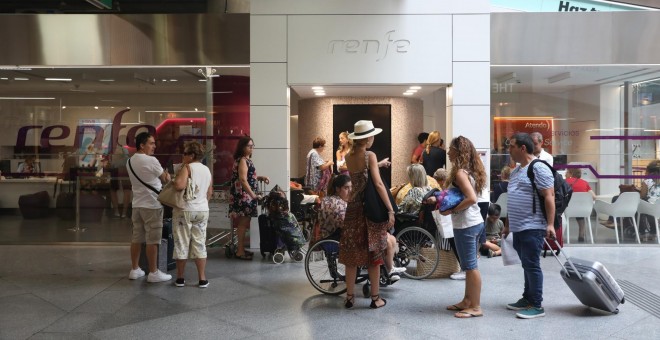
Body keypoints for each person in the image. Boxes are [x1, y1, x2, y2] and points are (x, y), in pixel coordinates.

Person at [428, 136, 486, 318]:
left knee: (470, 266)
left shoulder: (461, 173)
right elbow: (459, 195)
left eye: (451, 149)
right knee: (468, 265)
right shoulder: (469, 171)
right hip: (472, 222)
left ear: (458, 151)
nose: (448, 151)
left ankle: (475, 307)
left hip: (467, 224)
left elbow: (471, 198)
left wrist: (451, 210)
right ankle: (467, 301)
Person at [339, 120, 394, 309]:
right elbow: (378, 184)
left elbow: (360, 175)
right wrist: (390, 209)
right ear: (368, 137)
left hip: (353, 209)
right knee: (374, 253)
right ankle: (375, 298)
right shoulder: (370, 155)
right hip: (369, 210)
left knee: (352, 253)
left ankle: (349, 297)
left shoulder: (348, 156)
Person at [503, 132, 556, 319]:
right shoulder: (517, 170)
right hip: (518, 227)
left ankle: (537, 304)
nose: (509, 150)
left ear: (522, 148)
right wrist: (508, 224)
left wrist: (550, 224)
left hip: (533, 226)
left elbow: (549, 196)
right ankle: (527, 298)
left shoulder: (538, 168)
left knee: (532, 264)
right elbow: (513, 199)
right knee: (526, 263)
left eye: (511, 146)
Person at [126, 132, 172, 283]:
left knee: (136, 238)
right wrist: (167, 175)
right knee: (153, 239)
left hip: (137, 204)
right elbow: (165, 179)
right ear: (142, 145)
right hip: (152, 204)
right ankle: (153, 272)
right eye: (151, 143)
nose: (154, 146)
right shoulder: (151, 160)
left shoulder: (130, 161)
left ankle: (135, 269)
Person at [172, 142, 213, 288]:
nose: (183, 156)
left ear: (191, 155)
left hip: (185, 210)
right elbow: (209, 191)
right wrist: (202, 203)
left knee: (181, 242)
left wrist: (174, 179)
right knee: (200, 243)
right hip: (202, 210)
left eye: (185, 153)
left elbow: (179, 185)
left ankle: (180, 278)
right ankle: (202, 278)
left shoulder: (187, 167)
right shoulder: (207, 170)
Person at [229, 136, 270, 260]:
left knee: (245, 223)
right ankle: (240, 251)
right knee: (243, 223)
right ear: (242, 147)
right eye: (249, 146)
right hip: (244, 196)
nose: (252, 148)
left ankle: (240, 249)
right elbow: (243, 180)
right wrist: (253, 195)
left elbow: (248, 177)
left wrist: (260, 177)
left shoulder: (245, 160)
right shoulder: (242, 160)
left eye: (252, 145)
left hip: (245, 195)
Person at [433, 168, 464, 281]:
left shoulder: (448, 189)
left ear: (441, 180)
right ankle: (463, 267)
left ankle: (464, 268)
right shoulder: (451, 186)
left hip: (452, 218)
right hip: (454, 218)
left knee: (455, 242)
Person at [565, 168, 596, 243]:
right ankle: (581, 234)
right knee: (580, 211)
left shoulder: (564, 182)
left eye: (567, 172)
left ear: (571, 173)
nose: (565, 174)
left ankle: (559, 234)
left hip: (568, 209)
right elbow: (594, 196)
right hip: (583, 210)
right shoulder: (584, 182)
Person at [110, 140, 132, 218]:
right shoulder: (122, 149)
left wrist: (114, 163)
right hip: (120, 171)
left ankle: (121, 212)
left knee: (124, 190)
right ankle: (120, 212)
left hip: (121, 171)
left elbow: (126, 160)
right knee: (115, 190)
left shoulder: (122, 149)